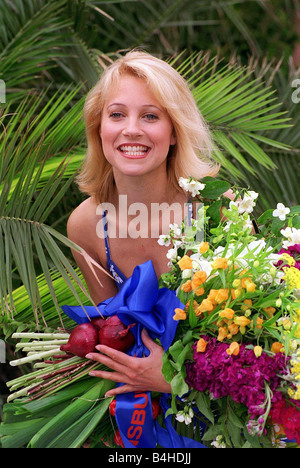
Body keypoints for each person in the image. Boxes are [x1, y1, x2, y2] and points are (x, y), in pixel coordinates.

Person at [66, 49, 220, 397]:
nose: (131, 130)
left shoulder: (215, 209)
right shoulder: (85, 225)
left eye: (150, 116)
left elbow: (265, 335)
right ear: (99, 128)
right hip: (143, 407)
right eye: (117, 114)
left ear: (175, 131)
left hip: (222, 406)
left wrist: (176, 381)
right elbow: (114, 337)